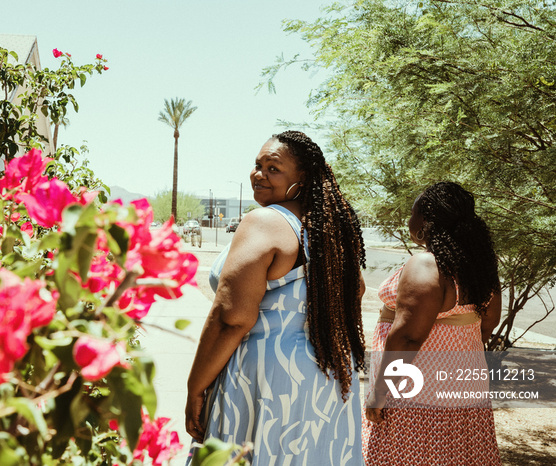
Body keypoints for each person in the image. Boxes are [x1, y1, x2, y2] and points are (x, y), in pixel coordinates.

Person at [185, 131, 367, 465]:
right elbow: (356, 292)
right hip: (328, 375)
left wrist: (195, 386)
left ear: (303, 178)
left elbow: (231, 318)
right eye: (257, 165)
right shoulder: (329, 230)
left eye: (273, 168)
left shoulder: (266, 221)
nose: (259, 174)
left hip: (268, 376)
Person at [363, 181, 502, 465]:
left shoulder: (427, 265)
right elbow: (487, 324)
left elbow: (408, 338)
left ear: (427, 220)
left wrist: (379, 392)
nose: (409, 220)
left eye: (413, 213)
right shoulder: (479, 265)